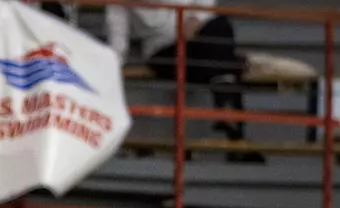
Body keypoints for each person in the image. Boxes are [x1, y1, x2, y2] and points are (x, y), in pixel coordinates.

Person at [106, 1, 259, 157]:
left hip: (198, 39)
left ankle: (227, 107)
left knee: (220, 26)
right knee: (225, 62)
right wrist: (111, 67)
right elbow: (117, 34)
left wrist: (197, 19)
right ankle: (234, 131)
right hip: (163, 49)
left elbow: (206, 4)